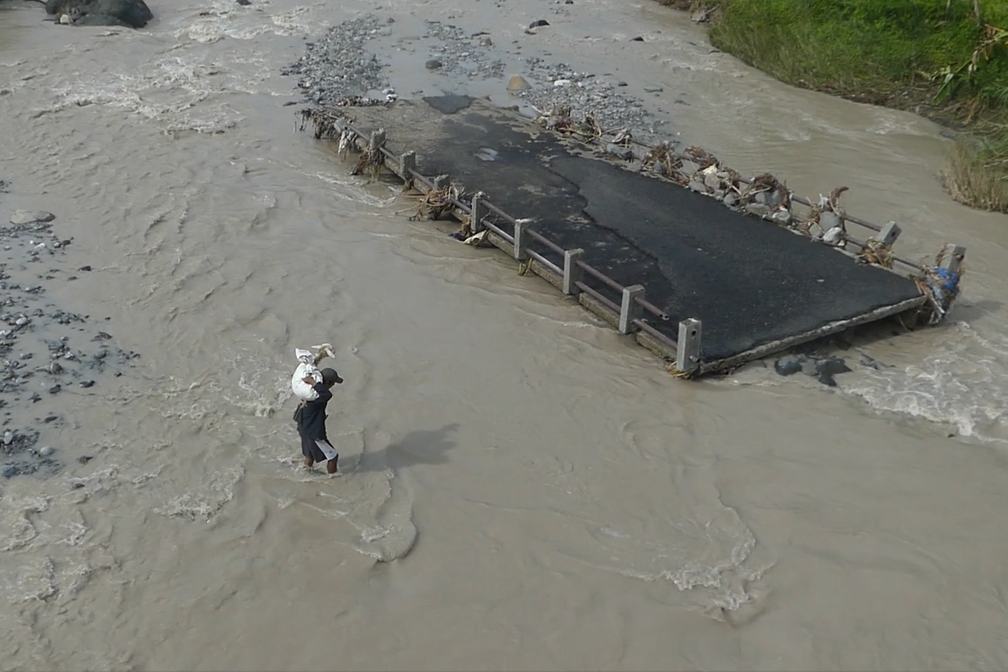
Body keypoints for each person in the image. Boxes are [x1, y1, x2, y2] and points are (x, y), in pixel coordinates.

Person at [295, 367, 343, 474]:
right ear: (328, 382)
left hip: (304, 429)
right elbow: (327, 395)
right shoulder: (318, 397)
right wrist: (314, 382)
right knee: (333, 456)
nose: (333, 386)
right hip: (314, 433)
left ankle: (304, 473)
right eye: (333, 383)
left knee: (310, 455)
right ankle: (333, 479)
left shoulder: (308, 395)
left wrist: (313, 383)